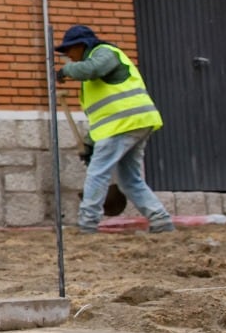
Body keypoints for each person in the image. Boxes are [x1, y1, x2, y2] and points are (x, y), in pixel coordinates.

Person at [53, 24, 174, 235]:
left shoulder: (105, 52)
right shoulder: (93, 75)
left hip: (126, 122)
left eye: (68, 51)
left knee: (97, 173)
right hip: (131, 122)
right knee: (130, 180)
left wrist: (66, 71)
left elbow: (92, 70)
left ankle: (87, 223)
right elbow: (104, 113)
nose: (67, 56)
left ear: (82, 45)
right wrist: (90, 141)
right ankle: (160, 219)